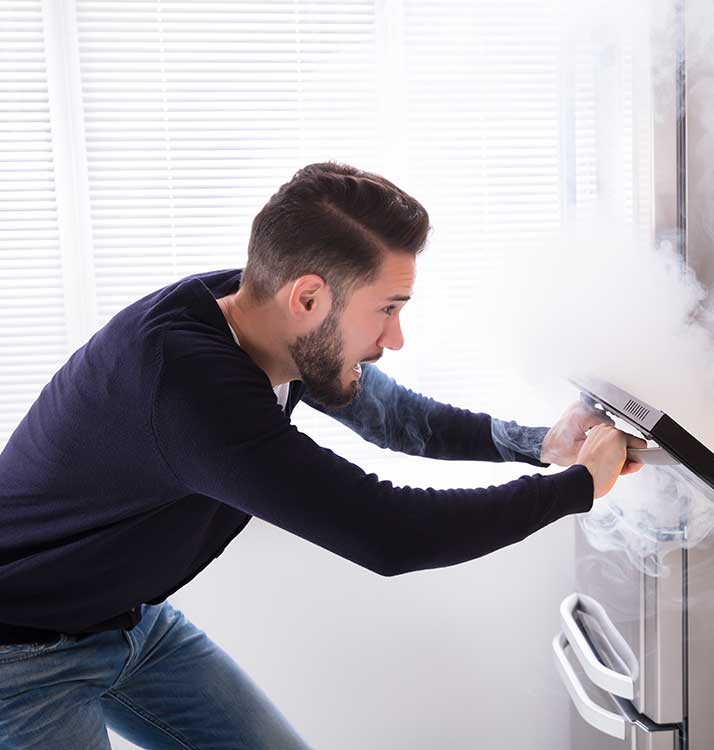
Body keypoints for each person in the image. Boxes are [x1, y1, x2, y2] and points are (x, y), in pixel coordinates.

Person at [0, 161, 646, 750]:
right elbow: (389, 533)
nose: (395, 338)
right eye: (386, 310)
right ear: (307, 298)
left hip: (131, 624)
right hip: (19, 657)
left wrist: (540, 445)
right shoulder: (189, 387)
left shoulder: (252, 311)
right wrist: (578, 488)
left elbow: (395, 417)